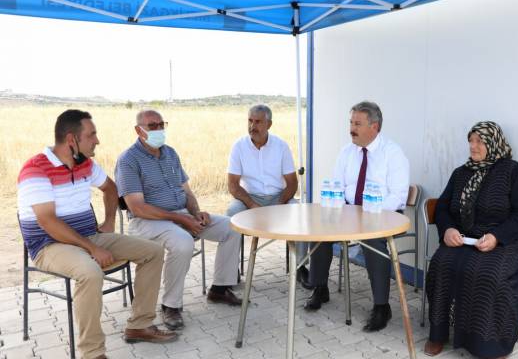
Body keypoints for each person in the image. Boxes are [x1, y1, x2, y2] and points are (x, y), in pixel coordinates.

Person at [17, 109, 177, 359]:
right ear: (72, 139)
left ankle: (139, 326)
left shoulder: (85, 164)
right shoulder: (35, 168)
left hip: (89, 236)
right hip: (49, 245)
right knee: (90, 272)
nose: (97, 140)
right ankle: (92, 353)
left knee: (153, 251)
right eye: (91, 135)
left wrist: (109, 221)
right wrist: (92, 248)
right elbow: (47, 221)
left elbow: (111, 188)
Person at [115, 109, 242, 331]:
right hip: (146, 222)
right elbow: (137, 207)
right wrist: (179, 219)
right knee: (182, 241)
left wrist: (196, 213)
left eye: (161, 125)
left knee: (232, 227)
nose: (158, 130)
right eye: (152, 126)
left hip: (180, 215)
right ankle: (170, 305)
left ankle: (220, 289)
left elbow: (187, 191)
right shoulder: (128, 160)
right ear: (139, 130)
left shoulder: (170, 154)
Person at [424, 121, 518, 358]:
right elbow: (442, 208)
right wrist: (448, 230)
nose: (473, 146)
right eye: (470, 141)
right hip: (465, 238)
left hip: (502, 239)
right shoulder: (461, 172)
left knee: (486, 274)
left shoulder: (511, 170)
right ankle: (438, 333)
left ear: (493, 143)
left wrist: (496, 237)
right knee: (442, 265)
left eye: (479, 141)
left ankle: (490, 343)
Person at [304, 101, 409, 332]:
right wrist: (341, 211)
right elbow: (338, 187)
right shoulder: (346, 152)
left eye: (357, 123)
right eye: (351, 122)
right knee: (321, 227)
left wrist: (369, 212)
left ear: (374, 126)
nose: (351, 128)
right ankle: (320, 287)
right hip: (351, 211)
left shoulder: (392, 153)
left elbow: (399, 196)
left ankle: (382, 306)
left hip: (385, 214)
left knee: (373, 240)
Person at [226, 104, 311, 288]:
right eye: (250, 121)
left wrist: (280, 204)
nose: (252, 126)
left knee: (299, 213)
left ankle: (301, 267)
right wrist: (250, 203)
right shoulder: (239, 147)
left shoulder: (281, 146)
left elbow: (292, 182)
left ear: (269, 124)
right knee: (231, 214)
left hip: (279, 197)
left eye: (258, 122)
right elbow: (233, 185)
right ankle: (229, 271)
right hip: (250, 198)